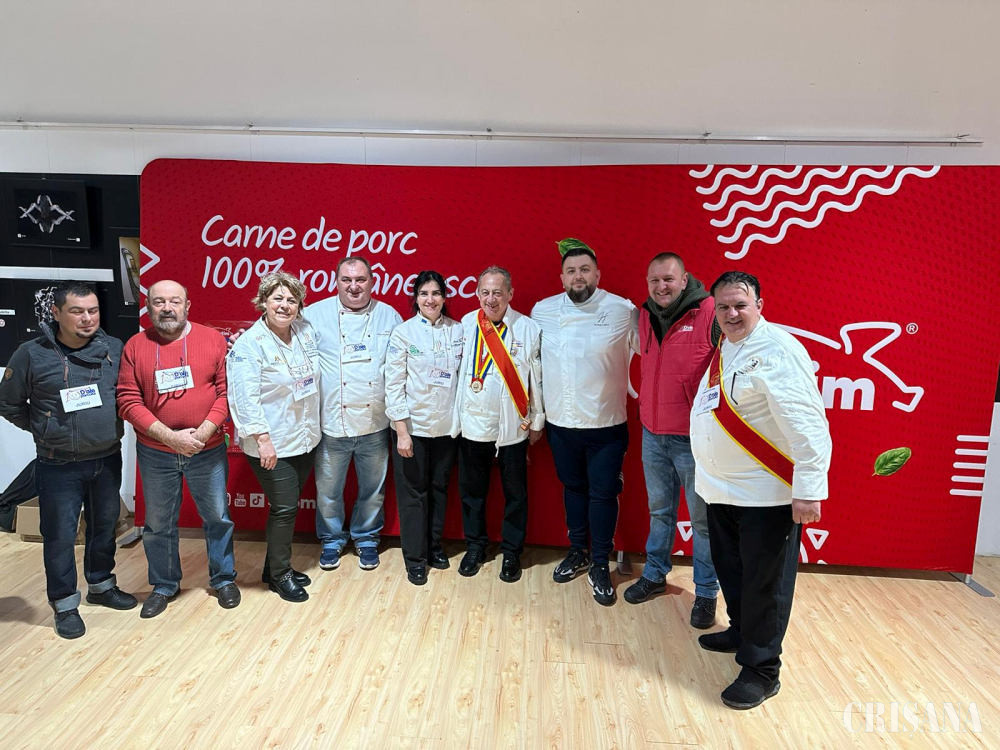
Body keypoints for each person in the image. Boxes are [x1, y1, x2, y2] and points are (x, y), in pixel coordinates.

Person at [690, 270, 831, 710]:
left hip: (766, 495)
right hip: (722, 491)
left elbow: (808, 423)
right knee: (733, 572)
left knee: (765, 585)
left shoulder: (777, 349)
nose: (731, 314)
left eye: (741, 305)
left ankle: (762, 670)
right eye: (724, 307)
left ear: (759, 306)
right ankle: (740, 632)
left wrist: (809, 488)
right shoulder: (726, 348)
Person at [0, 281, 137, 639]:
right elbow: (8, 403)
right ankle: (64, 604)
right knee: (59, 536)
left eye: (93, 310)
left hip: (107, 457)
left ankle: (102, 585)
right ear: (56, 313)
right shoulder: (31, 354)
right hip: (58, 464)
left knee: (103, 527)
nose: (87, 318)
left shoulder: (114, 348)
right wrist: (45, 429)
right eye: (77, 311)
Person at [118, 280, 239, 618]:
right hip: (156, 452)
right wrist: (171, 438)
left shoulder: (212, 340)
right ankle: (164, 584)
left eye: (174, 301)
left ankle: (223, 578)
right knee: (158, 523)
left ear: (187, 306)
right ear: (149, 307)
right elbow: (128, 401)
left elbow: (226, 392)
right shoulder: (135, 346)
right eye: (159, 302)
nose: (167, 308)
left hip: (206, 448)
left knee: (217, 517)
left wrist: (201, 433)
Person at [531, 238, 638, 606]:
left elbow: (651, 349)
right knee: (573, 488)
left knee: (603, 494)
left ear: (598, 274)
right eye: (571, 271)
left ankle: (600, 563)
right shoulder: (542, 311)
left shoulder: (622, 310)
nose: (578, 276)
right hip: (561, 424)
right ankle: (577, 550)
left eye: (585, 270)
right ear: (562, 278)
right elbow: (531, 364)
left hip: (606, 425)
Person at [624, 252, 722, 629]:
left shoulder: (710, 312)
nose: (661, 287)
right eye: (655, 281)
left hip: (694, 439)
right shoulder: (644, 315)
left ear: (684, 279)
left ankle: (707, 592)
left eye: (668, 279)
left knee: (702, 521)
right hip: (653, 434)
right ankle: (654, 574)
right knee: (660, 512)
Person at [227, 271, 321, 602]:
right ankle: (280, 576)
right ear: (263, 301)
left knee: (286, 506)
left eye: (292, 300)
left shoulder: (305, 331)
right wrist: (263, 439)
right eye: (277, 298)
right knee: (284, 508)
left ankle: (274, 567)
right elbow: (244, 398)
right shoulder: (249, 344)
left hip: (304, 437)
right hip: (271, 442)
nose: (284, 305)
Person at [306, 257, 402, 572]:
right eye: (346, 280)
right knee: (328, 491)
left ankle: (367, 538)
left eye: (360, 279)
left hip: (375, 423)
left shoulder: (389, 316)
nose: (354, 286)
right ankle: (331, 540)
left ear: (372, 282)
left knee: (373, 490)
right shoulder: (314, 315)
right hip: (332, 423)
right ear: (336, 282)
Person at [454, 266, 543, 582]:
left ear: (510, 294)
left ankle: (512, 552)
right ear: (478, 294)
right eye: (485, 292)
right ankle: (475, 546)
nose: (491, 299)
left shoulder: (528, 328)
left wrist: (537, 419)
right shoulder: (466, 324)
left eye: (497, 292)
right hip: (473, 424)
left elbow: (536, 379)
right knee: (472, 492)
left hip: (513, 427)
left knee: (515, 494)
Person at [384, 270, 463, 586]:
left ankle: (434, 547)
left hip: (446, 429)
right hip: (412, 429)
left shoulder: (458, 330)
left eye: (436, 293)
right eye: (424, 294)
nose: (430, 299)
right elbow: (393, 384)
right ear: (416, 298)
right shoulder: (403, 333)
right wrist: (401, 431)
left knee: (440, 490)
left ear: (444, 297)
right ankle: (415, 559)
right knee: (413, 496)